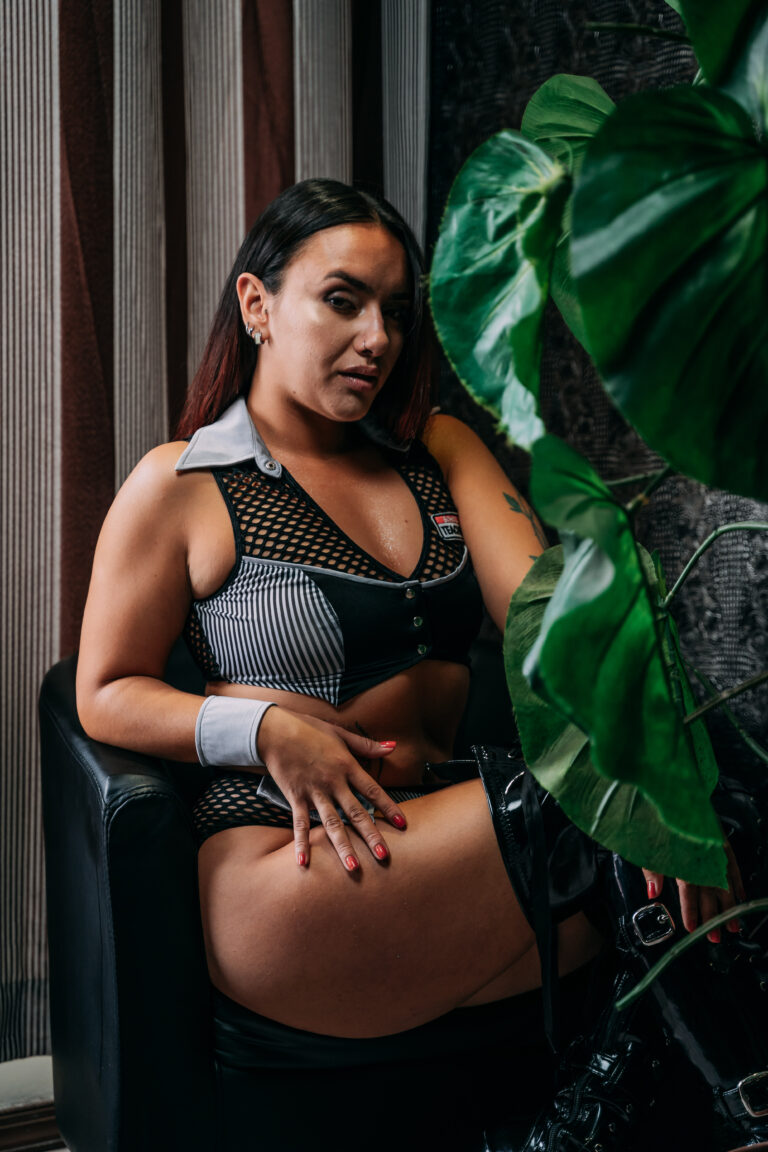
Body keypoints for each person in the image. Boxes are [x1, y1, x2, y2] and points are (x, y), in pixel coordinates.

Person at [75, 179, 763, 1150]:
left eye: (396, 313)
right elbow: (101, 693)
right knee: (606, 807)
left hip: (452, 851)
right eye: (342, 300)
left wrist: (662, 770)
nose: (377, 339)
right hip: (288, 871)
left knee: (714, 777)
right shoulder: (183, 484)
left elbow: (550, 624)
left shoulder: (436, 452)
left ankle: (604, 1126)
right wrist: (264, 730)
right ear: (257, 305)